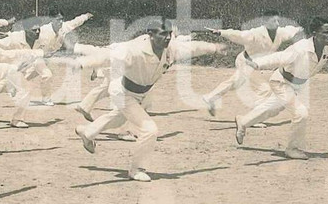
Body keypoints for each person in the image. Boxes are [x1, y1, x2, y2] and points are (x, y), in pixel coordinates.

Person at [73, 20, 226, 182]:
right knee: (150, 130)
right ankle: (135, 169)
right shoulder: (135, 49)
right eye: (162, 34)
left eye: (169, 34)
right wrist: (83, 63)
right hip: (123, 92)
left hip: (144, 92)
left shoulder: (171, 48)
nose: (167, 38)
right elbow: (108, 57)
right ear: (151, 35)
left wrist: (214, 48)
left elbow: (193, 48)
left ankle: (87, 132)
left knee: (118, 118)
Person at [234, 16, 328, 159]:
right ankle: (293, 148)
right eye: (325, 32)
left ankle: (243, 122)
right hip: (282, 82)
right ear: (314, 33)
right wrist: (257, 63)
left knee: (272, 109)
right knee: (301, 113)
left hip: (298, 85)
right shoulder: (300, 49)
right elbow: (280, 57)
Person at [200, 12, 303, 115]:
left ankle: (209, 98)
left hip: (257, 64)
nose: (277, 23)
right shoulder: (255, 33)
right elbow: (238, 35)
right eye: (273, 21)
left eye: (278, 21)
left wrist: (301, 28)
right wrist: (221, 32)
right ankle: (254, 116)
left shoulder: (280, 32)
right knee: (264, 88)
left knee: (235, 82)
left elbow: (291, 30)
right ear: (265, 22)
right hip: (246, 62)